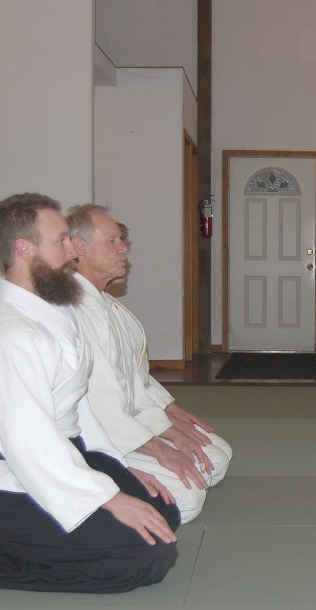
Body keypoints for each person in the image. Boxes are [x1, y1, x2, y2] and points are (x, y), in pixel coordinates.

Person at [0, 193, 180, 593]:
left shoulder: (53, 310)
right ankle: (10, 557)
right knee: (149, 555)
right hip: (12, 486)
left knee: (164, 510)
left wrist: (120, 471)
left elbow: (78, 410)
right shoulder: (7, 334)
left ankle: (40, 544)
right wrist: (107, 497)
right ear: (24, 249)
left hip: (66, 454)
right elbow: (29, 443)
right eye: (61, 241)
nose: (73, 250)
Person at [66, 204, 232, 523]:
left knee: (216, 459)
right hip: (98, 437)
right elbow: (101, 406)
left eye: (122, 240)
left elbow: (134, 377)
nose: (124, 248)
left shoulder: (109, 307)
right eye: (113, 240)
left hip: (129, 422)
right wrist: (163, 444)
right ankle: (90, 491)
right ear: (79, 249)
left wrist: (168, 410)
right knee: (186, 500)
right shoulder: (77, 313)